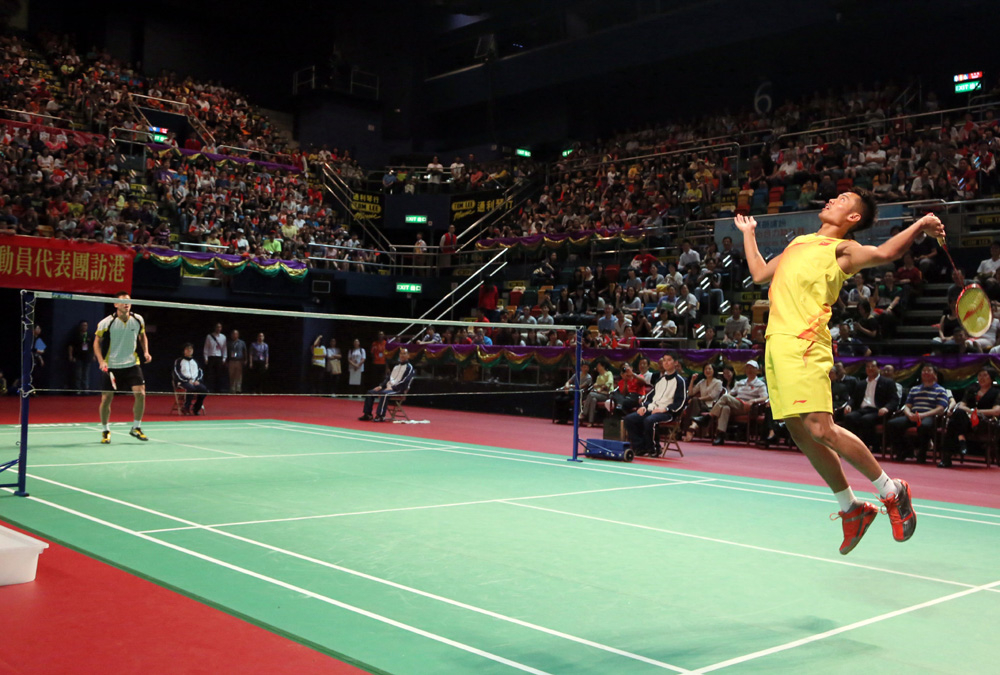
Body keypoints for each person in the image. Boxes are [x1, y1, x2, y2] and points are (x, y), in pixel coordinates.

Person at [735, 189, 942, 554]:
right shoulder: (799, 242)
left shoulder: (843, 250)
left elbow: (885, 253)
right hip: (776, 343)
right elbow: (760, 273)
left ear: (853, 218)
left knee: (820, 427)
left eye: (844, 199)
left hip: (804, 343)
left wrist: (921, 224)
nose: (832, 200)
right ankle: (851, 508)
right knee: (800, 432)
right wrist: (749, 233)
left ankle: (892, 490)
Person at [93, 292, 152, 443]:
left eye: (128, 301)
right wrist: (101, 361)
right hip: (111, 365)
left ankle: (136, 427)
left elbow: (142, 335)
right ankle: (105, 430)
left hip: (132, 363)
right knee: (106, 399)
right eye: (123, 301)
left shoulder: (138, 319)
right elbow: (96, 342)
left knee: (141, 394)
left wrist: (146, 351)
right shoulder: (107, 322)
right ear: (115, 304)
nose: (126, 303)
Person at [623, 353, 687, 457]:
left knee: (650, 420)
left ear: (675, 363)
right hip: (652, 409)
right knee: (629, 419)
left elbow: (681, 402)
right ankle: (640, 447)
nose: (666, 363)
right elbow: (649, 397)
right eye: (664, 360)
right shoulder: (660, 380)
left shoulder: (680, 381)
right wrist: (643, 406)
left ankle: (654, 448)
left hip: (668, 413)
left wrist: (665, 409)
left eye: (669, 360)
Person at [885, 365, 950, 463]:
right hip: (913, 416)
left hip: (929, 416)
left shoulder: (941, 390)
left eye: (929, 371)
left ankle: (922, 453)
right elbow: (907, 406)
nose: (925, 373)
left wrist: (923, 415)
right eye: (924, 371)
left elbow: (940, 409)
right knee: (892, 424)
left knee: (924, 426)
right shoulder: (914, 389)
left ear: (935, 375)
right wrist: (909, 414)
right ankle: (906, 449)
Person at [939, 368, 1000, 467]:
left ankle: (948, 456)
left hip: (983, 422)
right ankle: (961, 440)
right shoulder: (972, 389)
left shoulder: (996, 392)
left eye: (985, 375)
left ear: (991, 378)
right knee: (958, 413)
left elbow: (996, 411)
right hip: (966, 421)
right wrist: (970, 412)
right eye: (980, 375)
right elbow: (961, 406)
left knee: (954, 423)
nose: (982, 378)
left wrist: (974, 412)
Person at [841, 359, 899, 451]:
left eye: (873, 366)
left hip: (877, 410)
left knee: (866, 419)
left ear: (878, 368)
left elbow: (894, 399)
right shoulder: (861, 383)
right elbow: (853, 398)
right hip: (862, 409)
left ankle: (867, 446)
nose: (870, 368)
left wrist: (886, 408)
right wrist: (849, 405)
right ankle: (853, 444)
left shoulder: (887, 382)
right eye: (868, 367)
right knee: (850, 417)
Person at [709, 360, 768, 445]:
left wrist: (753, 400)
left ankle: (709, 416)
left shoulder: (760, 384)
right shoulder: (740, 382)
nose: (749, 370)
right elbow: (730, 393)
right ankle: (720, 436)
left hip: (748, 407)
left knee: (725, 397)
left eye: (752, 368)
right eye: (747, 368)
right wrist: (727, 398)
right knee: (725, 408)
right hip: (736, 405)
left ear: (757, 370)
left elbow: (765, 397)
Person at [359, 348, 414, 422]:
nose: (402, 355)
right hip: (388, 388)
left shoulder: (409, 367)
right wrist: (381, 386)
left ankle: (380, 416)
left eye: (404, 353)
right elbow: (388, 378)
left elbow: (405, 381)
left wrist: (393, 387)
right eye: (401, 353)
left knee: (385, 394)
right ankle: (368, 414)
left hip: (398, 389)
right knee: (370, 392)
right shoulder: (396, 366)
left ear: (408, 356)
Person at [683, 362, 723, 441]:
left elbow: (712, 396)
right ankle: (692, 426)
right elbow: (691, 393)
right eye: (705, 369)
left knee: (694, 401)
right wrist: (692, 380)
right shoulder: (702, 382)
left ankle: (688, 429)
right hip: (700, 405)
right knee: (694, 402)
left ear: (714, 370)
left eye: (709, 369)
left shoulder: (718, 382)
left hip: (711, 407)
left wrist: (699, 399)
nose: (707, 371)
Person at [173, 342, 208, 415]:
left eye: (191, 349)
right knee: (191, 388)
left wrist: (198, 380)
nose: (189, 350)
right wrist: (187, 380)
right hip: (183, 382)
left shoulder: (195, 361)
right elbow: (177, 373)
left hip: (195, 382)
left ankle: (196, 408)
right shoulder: (179, 361)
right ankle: (186, 407)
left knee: (204, 390)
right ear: (184, 351)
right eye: (187, 349)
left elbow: (200, 372)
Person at [581, 361, 614, 426]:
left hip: (607, 395)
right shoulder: (599, 376)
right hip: (598, 395)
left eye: (598, 366)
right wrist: (596, 388)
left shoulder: (609, 373)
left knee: (591, 395)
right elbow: (596, 387)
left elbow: (609, 383)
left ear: (603, 366)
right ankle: (591, 422)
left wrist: (600, 387)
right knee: (593, 400)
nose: (597, 367)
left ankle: (584, 413)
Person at [67, 320, 92, 394]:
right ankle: (78, 389)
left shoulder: (90, 335)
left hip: (87, 357)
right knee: (78, 374)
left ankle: (85, 389)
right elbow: (71, 346)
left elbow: (94, 346)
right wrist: (70, 355)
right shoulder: (75, 336)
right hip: (78, 357)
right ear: (80, 326)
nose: (84, 327)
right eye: (83, 325)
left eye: (86, 325)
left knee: (86, 374)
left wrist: (94, 355)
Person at [202, 322, 227, 392]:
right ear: (215, 328)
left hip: (219, 357)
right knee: (210, 374)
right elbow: (206, 347)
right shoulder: (209, 336)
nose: (218, 328)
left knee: (219, 374)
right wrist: (206, 357)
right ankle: (209, 388)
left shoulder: (223, 337)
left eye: (220, 327)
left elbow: (224, 348)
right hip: (211, 357)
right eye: (217, 327)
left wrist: (224, 358)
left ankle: (218, 389)